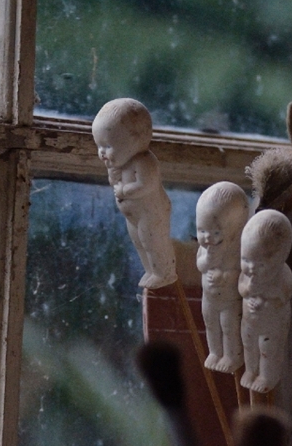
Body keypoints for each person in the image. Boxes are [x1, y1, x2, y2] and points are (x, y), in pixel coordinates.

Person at [92, 98, 177, 288]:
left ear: (136, 140)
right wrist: (114, 176)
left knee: (153, 243)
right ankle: (151, 271)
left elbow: (145, 186)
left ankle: (165, 273)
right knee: (139, 242)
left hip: (152, 214)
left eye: (107, 146)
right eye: (99, 146)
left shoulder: (144, 162)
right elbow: (114, 183)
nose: (102, 153)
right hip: (134, 216)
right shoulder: (120, 164)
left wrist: (123, 189)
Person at [196, 182, 249, 373]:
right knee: (210, 324)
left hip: (229, 301)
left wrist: (225, 276)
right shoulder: (205, 249)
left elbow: (241, 272)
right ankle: (215, 352)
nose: (207, 237)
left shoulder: (237, 250)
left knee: (229, 327)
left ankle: (231, 356)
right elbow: (200, 265)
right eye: (202, 230)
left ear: (235, 231)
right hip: (209, 298)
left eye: (216, 232)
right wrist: (208, 259)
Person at [239, 209, 292, 393]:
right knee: (249, 345)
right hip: (249, 322)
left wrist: (266, 298)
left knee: (268, 349)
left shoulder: (282, 275)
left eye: (260, 264)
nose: (251, 268)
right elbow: (242, 289)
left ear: (280, 259)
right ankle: (251, 370)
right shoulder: (247, 275)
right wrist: (248, 291)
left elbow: (283, 297)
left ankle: (267, 376)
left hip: (271, 325)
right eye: (245, 260)